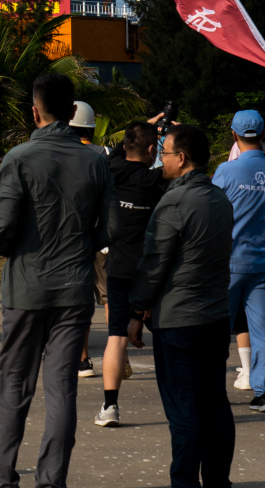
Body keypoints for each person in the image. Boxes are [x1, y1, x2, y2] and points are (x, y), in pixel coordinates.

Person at [0, 74, 115, 488]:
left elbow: (1, 228)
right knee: (62, 388)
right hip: (74, 287)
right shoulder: (95, 159)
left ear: (34, 110)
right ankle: (51, 480)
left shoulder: (19, 157)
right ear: (74, 111)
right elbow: (111, 227)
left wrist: (15, 247)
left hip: (25, 286)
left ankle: (3, 477)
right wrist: (80, 246)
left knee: (14, 385)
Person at [123, 122, 233, 488]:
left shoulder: (174, 200)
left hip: (179, 319)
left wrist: (137, 312)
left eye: (165, 154)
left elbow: (154, 263)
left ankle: (184, 482)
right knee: (215, 403)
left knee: (184, 410)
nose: (161, 161)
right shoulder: (219, 198)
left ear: (181, 158)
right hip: (215, 315)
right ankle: (218, 480)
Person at [213, 108, 265, 413]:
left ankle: (213, 392)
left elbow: (213, 212)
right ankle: (264, 394)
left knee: (218, 330)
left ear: (234, 135)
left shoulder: (226, 171)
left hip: (230, 261)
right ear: (262, 135)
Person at [94, 120, 164, 427]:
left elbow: (120, 151)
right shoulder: (156, 181)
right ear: (153, 150)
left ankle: (110, 406)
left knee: (116, 336)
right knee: (164, 337)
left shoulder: (110, 171)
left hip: (119, 266)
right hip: (151, 269)